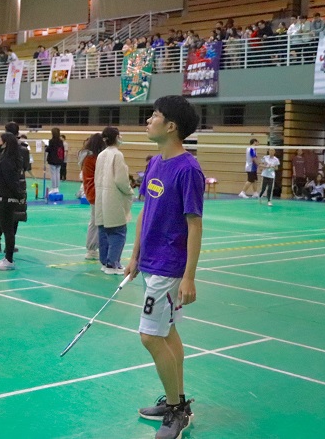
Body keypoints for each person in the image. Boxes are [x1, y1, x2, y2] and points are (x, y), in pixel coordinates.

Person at [124, 95, 204, 439]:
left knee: (150, 336)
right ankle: (178, 401)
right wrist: (135, 255)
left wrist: (189, 277)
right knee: (167, 332)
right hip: (151, 262)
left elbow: (195, 225)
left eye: (154, 115)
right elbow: (145, 212)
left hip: (170, 266)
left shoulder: (189, 170)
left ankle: (176, 411)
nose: (148, 120)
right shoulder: (155, 163)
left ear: (171, 126)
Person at [94, 127, 135, 275]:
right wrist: (130, 191)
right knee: (118, 232)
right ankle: (113, 264)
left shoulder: (101, 155)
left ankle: (105, 262)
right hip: (113, 198)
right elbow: (121, 180)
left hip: (101, 197)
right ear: (116, 137)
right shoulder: (117, 155)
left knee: (104, 231)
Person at [0, 132, 27, 270]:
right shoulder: (6, 159)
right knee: (7, 230)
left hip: (7, 200)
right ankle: (7, 258)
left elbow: (11, 182)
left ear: (5, 143)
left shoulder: (7, 162)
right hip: (4, 198)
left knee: (8, 231)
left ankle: (9, 260)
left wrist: (19, 195)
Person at [80, 134, 104, 261]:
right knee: (95, 222)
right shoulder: (92, 158)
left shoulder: (89, 157)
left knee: (96, 221)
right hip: (95, 192)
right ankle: (91, 249)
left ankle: (94, 248)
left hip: (93, 192)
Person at [45, 127, 65, 195]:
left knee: (53, 174)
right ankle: (57, 188)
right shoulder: (61, 141)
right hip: (59, 159)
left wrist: (46, 147)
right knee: (58, 173)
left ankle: (54, 188)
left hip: (53, 159)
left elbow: (49, 149)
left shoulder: (51, 141)